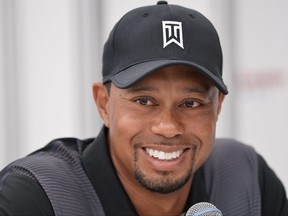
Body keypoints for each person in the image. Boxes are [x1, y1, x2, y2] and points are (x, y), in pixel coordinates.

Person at [0, 1, 287, 215]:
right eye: (144, 101)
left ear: (217, 107)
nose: (168, 126)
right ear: (103, 103)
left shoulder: (246, 178)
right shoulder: (40, 196)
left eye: (191, 103)